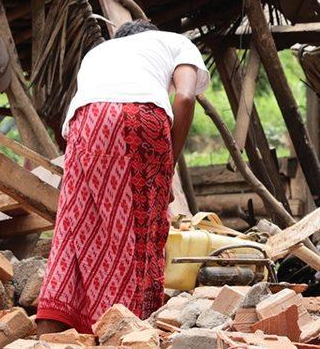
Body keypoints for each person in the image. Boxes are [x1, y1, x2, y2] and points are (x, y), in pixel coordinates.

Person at [35, 20, 209, 335]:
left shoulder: (99, 52)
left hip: (84, 123)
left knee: (76, 229)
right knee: (140, 232)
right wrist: (166, 169)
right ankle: (128, 330)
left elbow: (91, 110)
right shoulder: (174, 42)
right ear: (152, 34)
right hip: (139, 117)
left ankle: (53, 330)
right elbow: (184, 97)